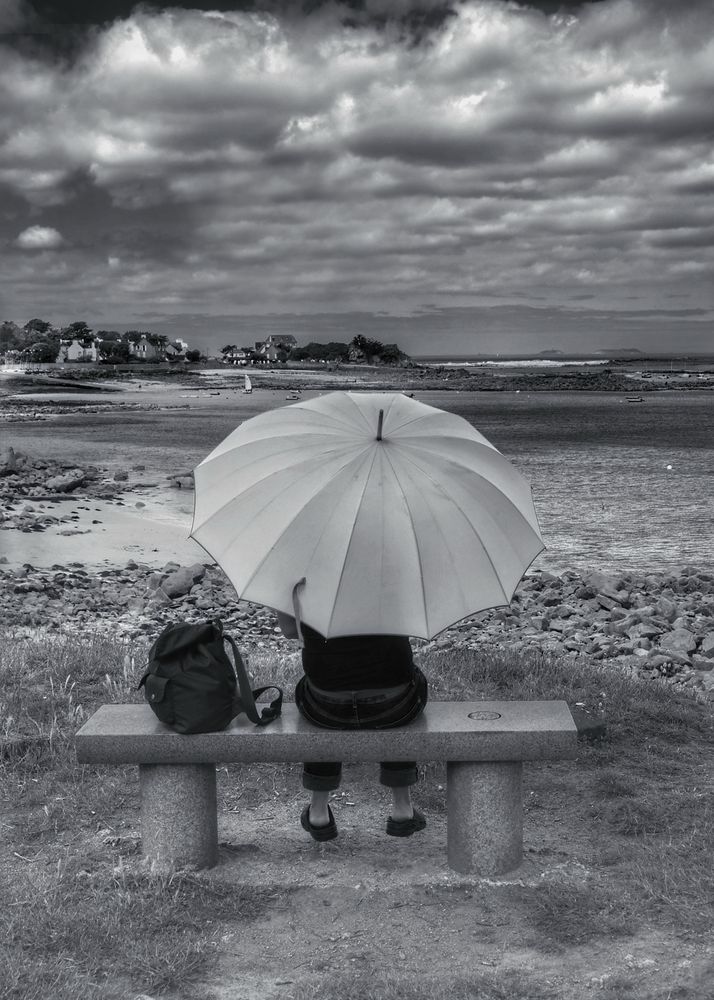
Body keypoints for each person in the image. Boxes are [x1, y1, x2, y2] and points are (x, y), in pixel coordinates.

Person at [276, 611, 428, 842]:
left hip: (325, 706)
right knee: (400, 686)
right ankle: (402, 808)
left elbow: (289, 630)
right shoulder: (394, 575)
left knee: (316, 694)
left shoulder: (299, 576)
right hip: (393, 705)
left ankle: (318, 812)